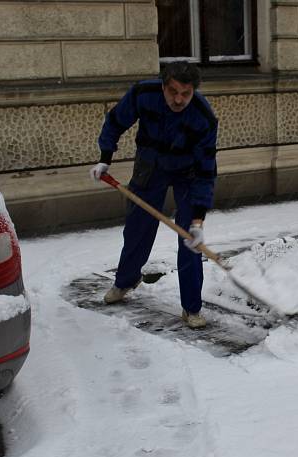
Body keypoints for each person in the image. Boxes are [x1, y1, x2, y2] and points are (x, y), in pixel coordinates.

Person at [90, 62, 217, 329]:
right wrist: (105, 158)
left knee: (189, 240)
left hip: (188, 173)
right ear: (163, 86)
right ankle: (126, 281)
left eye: (186, 93)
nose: (179, 99)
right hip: (151, 165)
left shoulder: (203, 118)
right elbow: (115, 121)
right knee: (138, 228)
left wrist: (198, 220)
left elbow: (206, 171)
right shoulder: (143, 94)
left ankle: (191, 308)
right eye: (173, 92)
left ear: (194, 91)